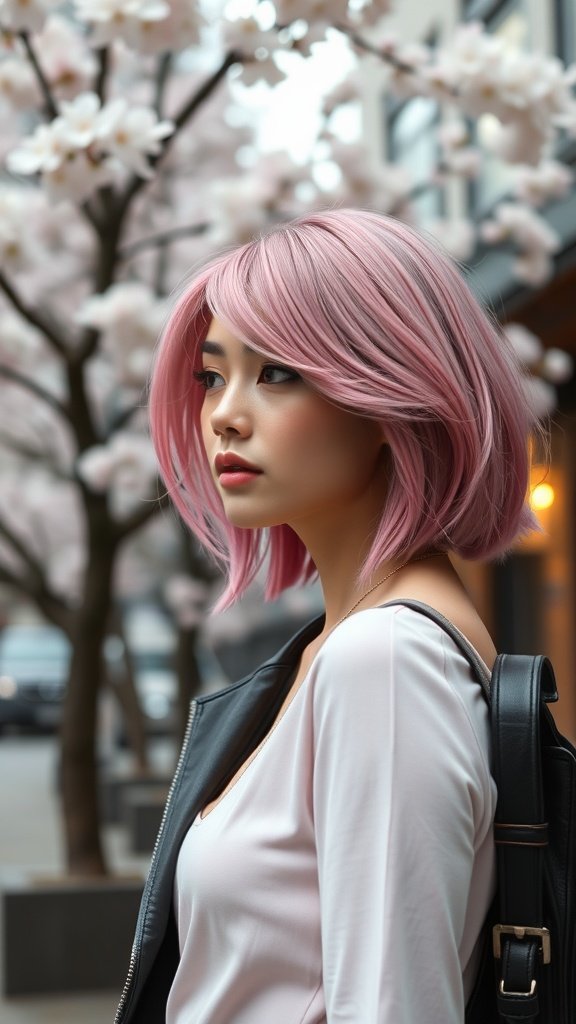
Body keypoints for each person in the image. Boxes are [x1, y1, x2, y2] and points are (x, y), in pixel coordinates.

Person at [114, 208, 538, 1024]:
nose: (224, 415)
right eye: (213, 375)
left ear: (389, 395)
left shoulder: (384, 661)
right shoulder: (345, 646)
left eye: (277, 372)